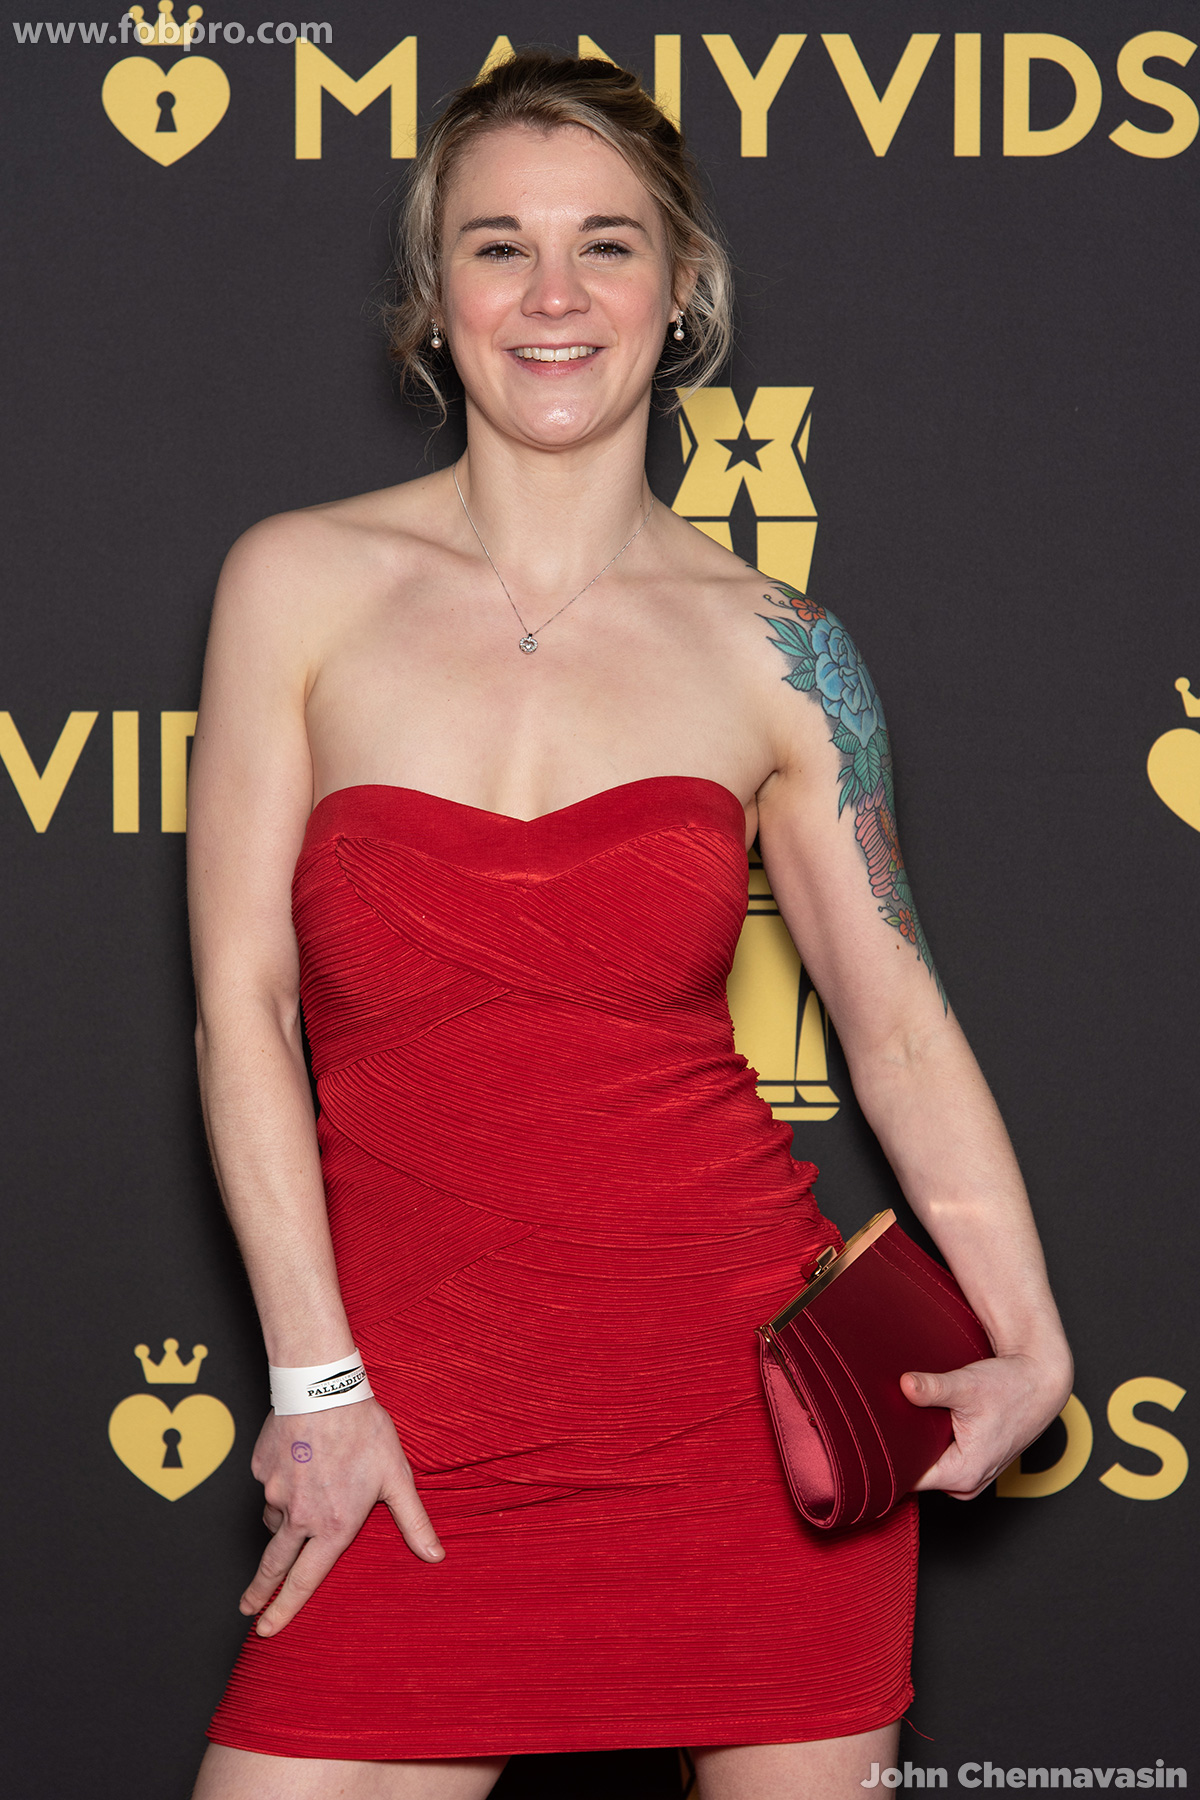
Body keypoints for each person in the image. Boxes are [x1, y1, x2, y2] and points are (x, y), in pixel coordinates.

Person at [187, 50, 1072, 1800]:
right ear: (433, 299)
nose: (554, 295)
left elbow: (897, 1027)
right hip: (405, 1427)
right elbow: (243, 1004)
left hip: (739, 1431)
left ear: (683, 294)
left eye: (605, 244)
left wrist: (1029, 1330)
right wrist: (315, 1382)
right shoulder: (295, 582)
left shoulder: (781, 647)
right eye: (498, 246)